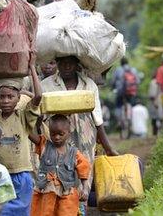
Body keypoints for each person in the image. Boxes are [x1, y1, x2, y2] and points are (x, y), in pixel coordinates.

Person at [41, 55, 118, 214]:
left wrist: (108, 147)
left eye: (70, 63)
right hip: (56, 137)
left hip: (85, 138)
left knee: (83, 176)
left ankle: (80, 211)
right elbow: (39, 117)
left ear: (77, 64)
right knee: (58, 178)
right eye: (63, 63)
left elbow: (97, 118)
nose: (66, 67)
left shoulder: (89, 84)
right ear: (57, 64)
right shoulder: (46, 85)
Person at [0, 54, 42, 216]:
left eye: (10, 97)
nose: (5, 101)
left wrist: (32, 67)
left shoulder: (23, 116)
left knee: (20, 212)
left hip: (22, 175)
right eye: (1, 97)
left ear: (18, 98)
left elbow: (38, 96)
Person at [29, 114, 91, 216]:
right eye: (53, 134)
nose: (57, 137)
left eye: (61, 134)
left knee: (66, 213)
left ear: (68, 133)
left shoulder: (74, 153)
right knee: (44, 212)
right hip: (46, 191)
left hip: (66, 193)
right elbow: (30, 135)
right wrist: (37, 122)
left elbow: (84, 167)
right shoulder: (44, 145)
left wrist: (84, 188)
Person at [148, 70, 163, 135]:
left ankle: (155, 133)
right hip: (161, 100)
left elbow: (151, 94)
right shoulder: (162, 81)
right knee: (161, 117)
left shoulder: (152, 82)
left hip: (154, 102)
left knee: (154, 118)